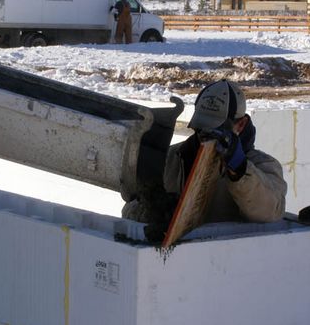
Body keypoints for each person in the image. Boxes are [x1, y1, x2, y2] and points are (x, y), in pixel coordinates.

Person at [123, 79, 287, 229]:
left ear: (241, 124)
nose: (204, 135)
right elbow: (129, 210)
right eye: (200, 128)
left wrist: (240, 170)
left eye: (215, 130)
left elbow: (270, 212)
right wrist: (154, 212)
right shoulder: (172, 157)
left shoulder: (264, 165)